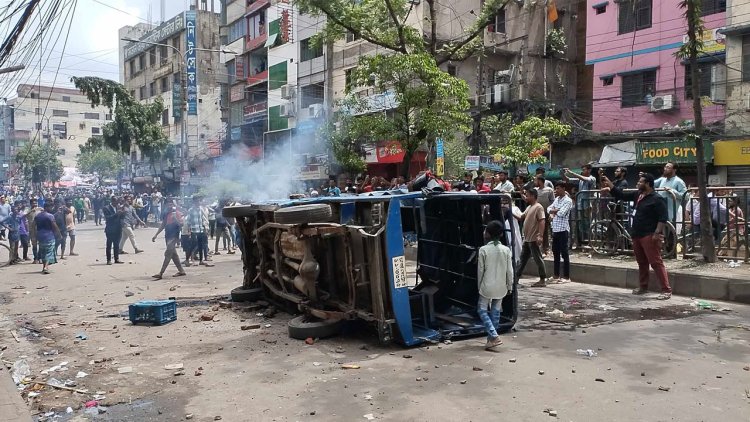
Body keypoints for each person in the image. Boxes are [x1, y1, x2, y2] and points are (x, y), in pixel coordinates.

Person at [602, 173, 672, 300]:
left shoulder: (657, 199)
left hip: (649, 234)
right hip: (636, 234)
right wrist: (610, 185)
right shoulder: (637, 195)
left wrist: (657, 233)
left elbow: (663, 218)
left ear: (648, 184)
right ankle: (643, 286)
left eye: (640, 182)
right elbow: (621, 195)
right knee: (642, 262)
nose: (638, 184)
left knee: (656, 262)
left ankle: (666, 290)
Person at [477, 220, 514, 351]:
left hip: (487, 286)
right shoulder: (506, 250)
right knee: (495, 312)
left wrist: (479, 286)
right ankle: (490, 340)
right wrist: (510, 286)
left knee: (482, 310)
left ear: (488, 234)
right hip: (501, 286)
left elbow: (480, 271)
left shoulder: (483, 250)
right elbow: (510, 271)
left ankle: (494, 335)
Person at [517, 189, 548, 287]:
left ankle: (542, 279)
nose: (526, 197)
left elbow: (542, 221)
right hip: (527, 239)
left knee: (537, 259)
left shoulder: (538, 207)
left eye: (527, 195)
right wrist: (510, 211)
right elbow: (521, 217)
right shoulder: (529, 207)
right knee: (522, 259)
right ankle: (515, 279)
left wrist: (540, 235)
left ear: (533, 196)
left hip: (533, 238)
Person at [151, 201, 186, 279]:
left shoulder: (178, 214)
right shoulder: (167, 215)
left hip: (174, 237)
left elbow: (181, 225)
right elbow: (163, 225)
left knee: (168, 254)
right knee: (174, 255)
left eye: (172, 204)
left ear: (175, 205)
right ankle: (181, 271)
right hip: (168, 236)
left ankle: (161, 273)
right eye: (169, 204)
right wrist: (156, 235)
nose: (170, 206)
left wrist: (175, 218)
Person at [563, 164, 596, 246]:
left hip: (587, 205)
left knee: (588, 224)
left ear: (589, 170)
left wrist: (571, 172)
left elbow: (584, 179)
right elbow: (568, 180)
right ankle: (580, 242)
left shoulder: (592, 178)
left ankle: (591, 243)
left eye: (584, 169)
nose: (582, 171)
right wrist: (562, 173)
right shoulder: (580, 180)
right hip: (580, 205)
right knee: (580, 224)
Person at [547, 181, 573, 283]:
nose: (556, 191)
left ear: (563, 188)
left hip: (563, 229)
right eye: (556, 188)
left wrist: (554, 211)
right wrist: (555, 210)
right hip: (555, 229)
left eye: (558, 188)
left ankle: (566, 276)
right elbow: (548, 208)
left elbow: (562, 213)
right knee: (555, 252)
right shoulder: (557, 199)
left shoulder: (568, 200)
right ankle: (556, 275)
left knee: (564, 253)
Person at [35, 200, 62, 274]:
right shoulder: (50, 216)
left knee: (43, 252)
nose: (52, 208)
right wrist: (59, 234)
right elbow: (54, 226)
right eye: (51, 207)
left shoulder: (38, 216)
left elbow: (35, 226)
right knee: (49, 252)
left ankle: (44, 266)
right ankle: (45, 267)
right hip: (49, 236)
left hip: (40, 235)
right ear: (47, 207)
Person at [187, 196, 213, 267]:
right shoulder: (191, 210)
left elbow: (203, 219)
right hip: (194, 230)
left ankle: (201, 261)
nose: (198, 202)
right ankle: (187, 260)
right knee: (193, 245)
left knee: (201, 245)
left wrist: (205, 228)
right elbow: (188, 221)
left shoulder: (201, 209)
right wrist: (189, 231)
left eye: (199, 201)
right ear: (194, 202)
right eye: (197, 201)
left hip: (201, 230)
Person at [534, 175, 554, 256]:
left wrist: (551, 213)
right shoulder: (535, 190)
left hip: (545, 212)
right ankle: (538, 249)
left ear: (540, 181)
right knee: (536, 231)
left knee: (545, 231)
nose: (535, 182)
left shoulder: (549, 190)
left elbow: (553, 202)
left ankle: (546, 248)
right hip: (536, 213)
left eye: (536, 180)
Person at [102, 196, 125, 265]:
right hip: (110, 229)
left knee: (116, 245)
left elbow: (121, 217)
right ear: (112, 201)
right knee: (109, 245)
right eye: (116, 202)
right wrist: (116, 214)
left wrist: (123, 213)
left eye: (118, 202)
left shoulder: (118, 207)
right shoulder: (106, 208)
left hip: (118, 228)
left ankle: (116, 258)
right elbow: (108, 218)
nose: (117, 203)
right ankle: (108, 260)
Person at [27, 198, 43, 263]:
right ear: (30, 204)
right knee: (34, 245)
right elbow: (23, 214)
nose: (35, 204)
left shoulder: (40, 209)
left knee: (41, 244)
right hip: (32, 230)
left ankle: (40, 257)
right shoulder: (28, 210)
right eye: (33, 203)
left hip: (39, 229)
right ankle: (35, 258)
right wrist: (31, 211)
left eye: (35, 203)